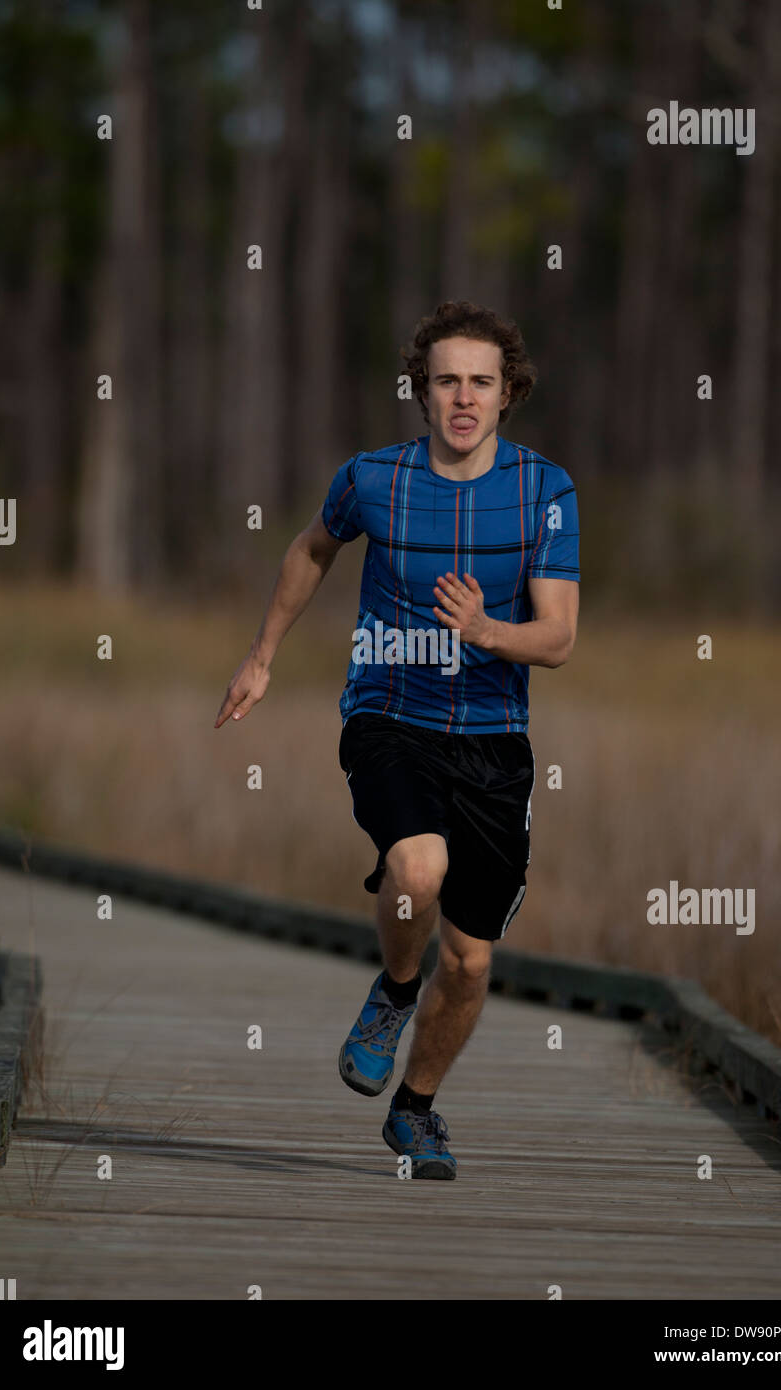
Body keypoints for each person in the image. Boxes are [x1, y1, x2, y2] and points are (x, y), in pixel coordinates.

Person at [215, 300, 579, 1180]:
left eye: (480, 383)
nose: (462, 398)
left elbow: (559, 638)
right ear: (421, 391)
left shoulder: (544, 490)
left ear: (507, 394)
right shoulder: (373, 479)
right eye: (446, 380)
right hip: (388, 716)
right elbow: (310, 550)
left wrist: (489, 632)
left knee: (472, 956)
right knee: (417, 868)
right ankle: (394, 991)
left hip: (495, 742)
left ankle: (414, 1111)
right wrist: (263, 656)